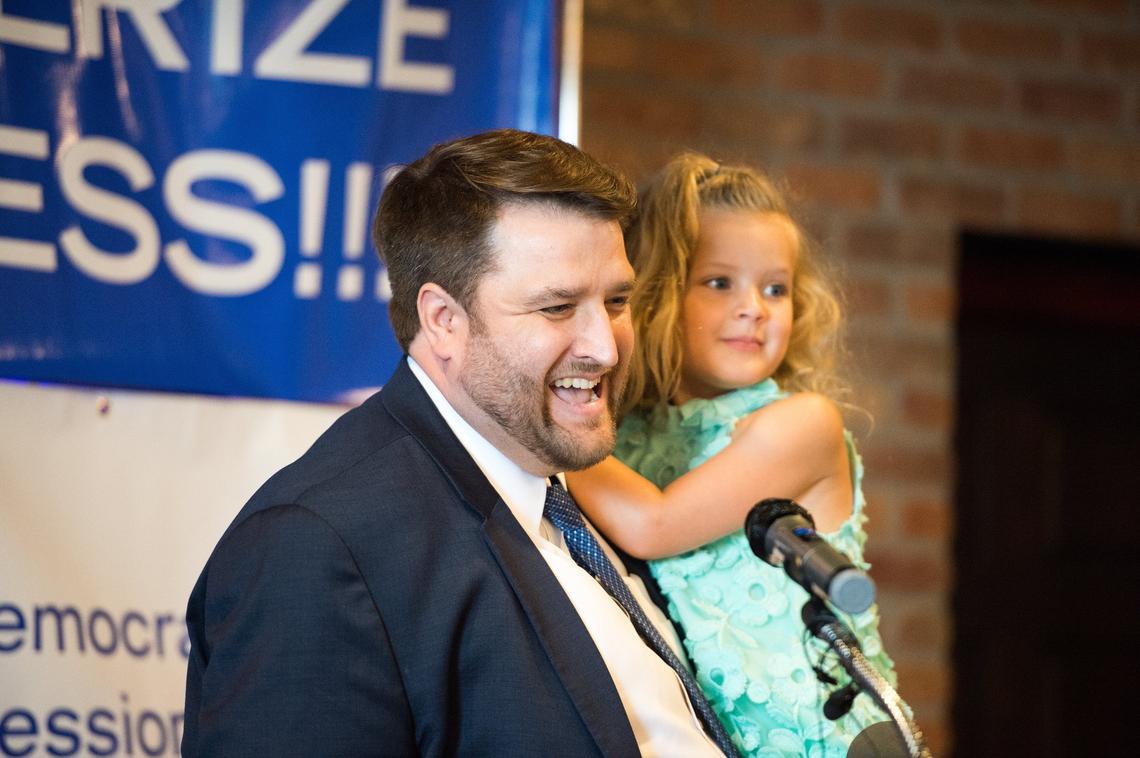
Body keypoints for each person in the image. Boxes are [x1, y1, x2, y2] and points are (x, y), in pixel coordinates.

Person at [181, 130, 738, 757]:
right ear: (444, 321)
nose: (605, 347)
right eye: (557, 308)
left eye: (616, 301)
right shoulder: (316, 545)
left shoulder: (571, 488)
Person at [566, 153, 900, 757]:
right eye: (720, 282)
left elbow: (654, 524)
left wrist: (537, 421)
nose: (755, 307)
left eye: (777, 288)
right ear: (658, 293)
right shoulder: (631, 433)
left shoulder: (798, 425)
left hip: (822, 740)